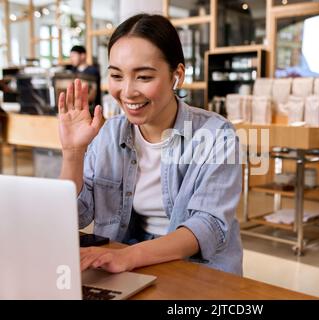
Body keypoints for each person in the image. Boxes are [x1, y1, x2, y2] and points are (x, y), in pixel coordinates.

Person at [58, 14, 243, 275]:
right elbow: (76, 215)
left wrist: (128, 256)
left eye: (143, 77)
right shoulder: (110, 133)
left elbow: (208, 225)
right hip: (126, 261)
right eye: (116, 76)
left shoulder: (217, 135)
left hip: (197, 270)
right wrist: (73, 154)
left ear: (176, 75)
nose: (128, 91)